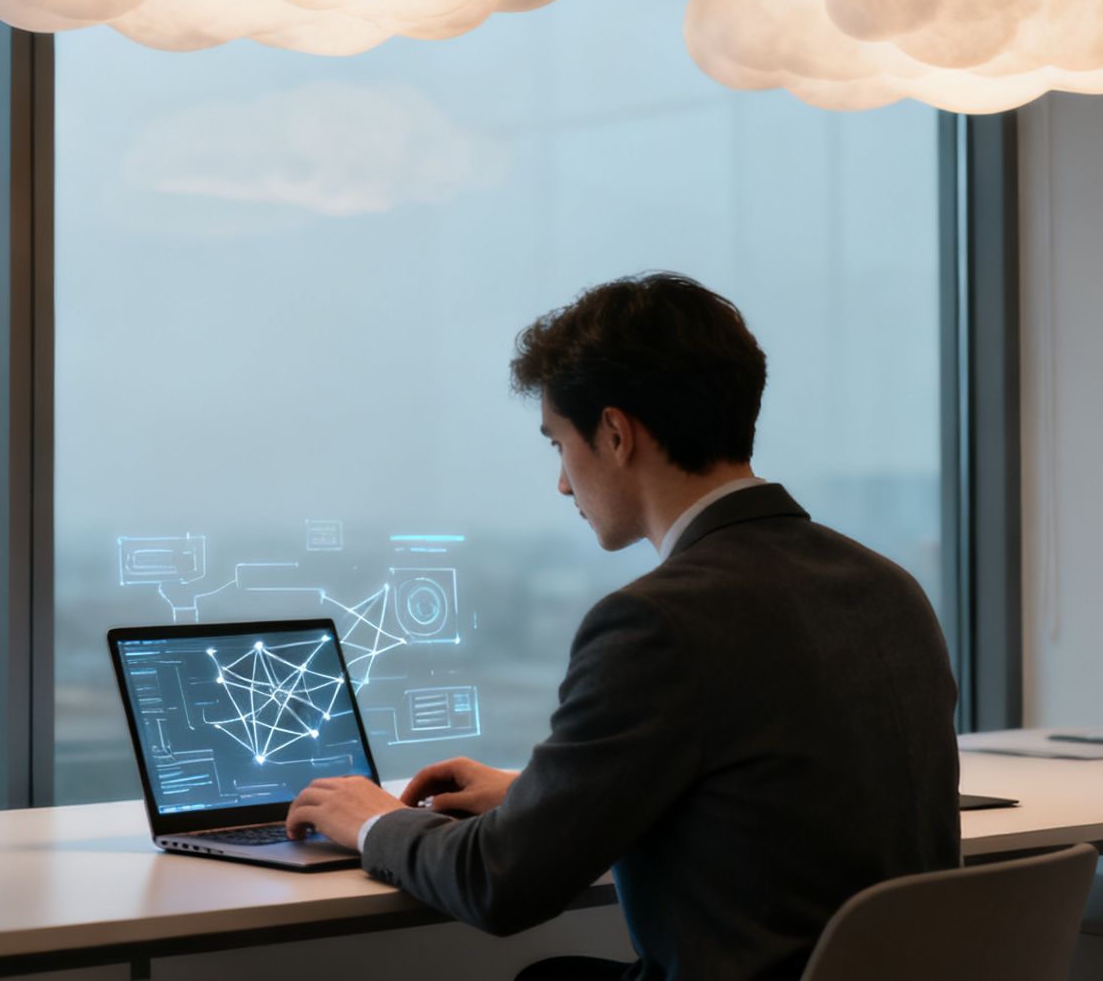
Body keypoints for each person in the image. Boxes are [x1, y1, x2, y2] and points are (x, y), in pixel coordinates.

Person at [286, 272, 960, 981]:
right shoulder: (888, 587)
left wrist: (370, 819)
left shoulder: (659, 620)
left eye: (558, 444)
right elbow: (772, 792)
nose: (563, 483)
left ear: (614, 433)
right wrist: (536, 795)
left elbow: (499, 882)